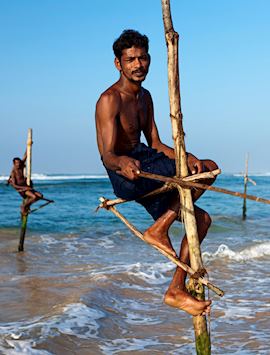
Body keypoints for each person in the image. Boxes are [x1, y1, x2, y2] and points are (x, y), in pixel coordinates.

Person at [95, 29, 218, 316]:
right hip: (126, 173)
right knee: (208, 171)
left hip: (146, 160)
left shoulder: (145, 97)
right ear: (118, 64)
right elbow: (107, 154)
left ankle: (176, 289)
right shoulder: (109, 99)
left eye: (143, 58)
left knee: (201, 220)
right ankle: (159, 229)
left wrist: (185, 156)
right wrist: (122, 163)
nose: (138, 65)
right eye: (131, 60)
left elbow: (157, 144)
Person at [8, 151, 44, 215]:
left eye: (19, 162)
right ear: (14, 164)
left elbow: (25, 156)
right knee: (33, 197)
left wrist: (28, 146)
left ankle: (27, 205)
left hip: (26, 186)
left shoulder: (21, 166)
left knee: (40, 196)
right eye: (16, 163)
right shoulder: (13, 172)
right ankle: (23, 206)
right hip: (21, 189)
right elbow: (14, 185)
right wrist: (25, 187)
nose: (18, 164)